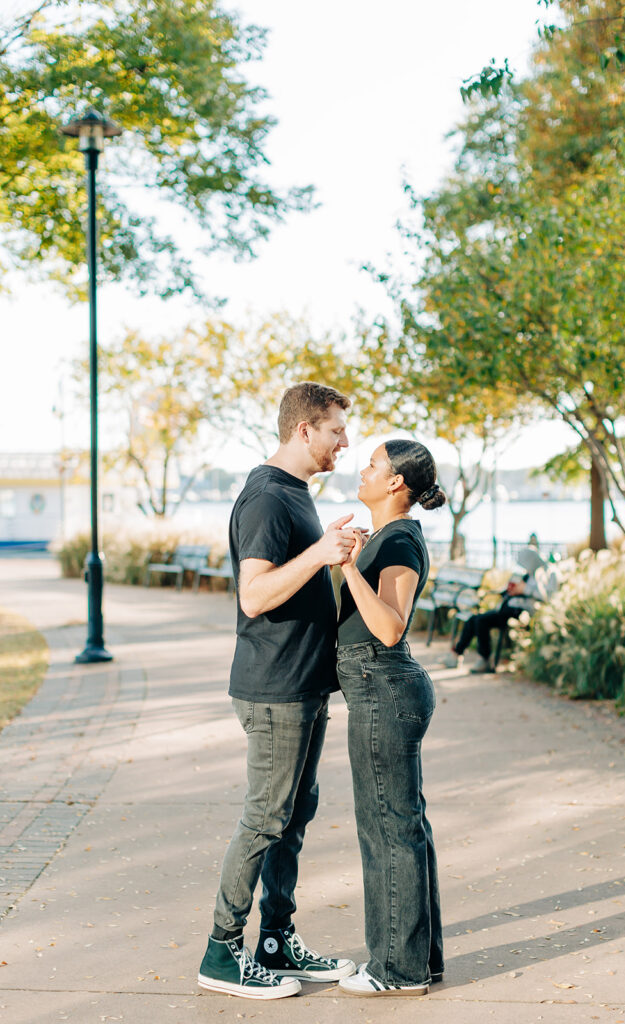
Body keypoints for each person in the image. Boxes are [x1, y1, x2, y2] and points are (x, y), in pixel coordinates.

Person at [198, 382, 358, 1000]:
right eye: (336, 430)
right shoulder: (265, 497)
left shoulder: (295, 492)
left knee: (293, 818)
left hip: (303, 685)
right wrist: (320, 552)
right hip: (274, 689)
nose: (345, 441)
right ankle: (221, 951)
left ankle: (274, 939)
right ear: (304, 430)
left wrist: (336, 559)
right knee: (266, 819)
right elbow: (255, 595)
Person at [335, 439, 445, 997]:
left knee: (389, 830)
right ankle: (419, 961)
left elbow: (389, 626)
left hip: (383, 686)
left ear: (396, 482)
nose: (364, 469)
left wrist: (351, 568)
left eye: (374, 464)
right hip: (378, 687)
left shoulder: (400, 538)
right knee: (404, 827)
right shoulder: (385, 537)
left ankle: (396, 971)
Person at [449, 546, 554, 673]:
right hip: (508, 608)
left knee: (481, 621)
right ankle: (456, 654)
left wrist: (524, 590)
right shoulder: (528, 574)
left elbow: (546, 596)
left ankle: (484, 659)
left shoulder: (546, 574)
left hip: (521, 612)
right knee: (473, 619)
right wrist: (511, 591)